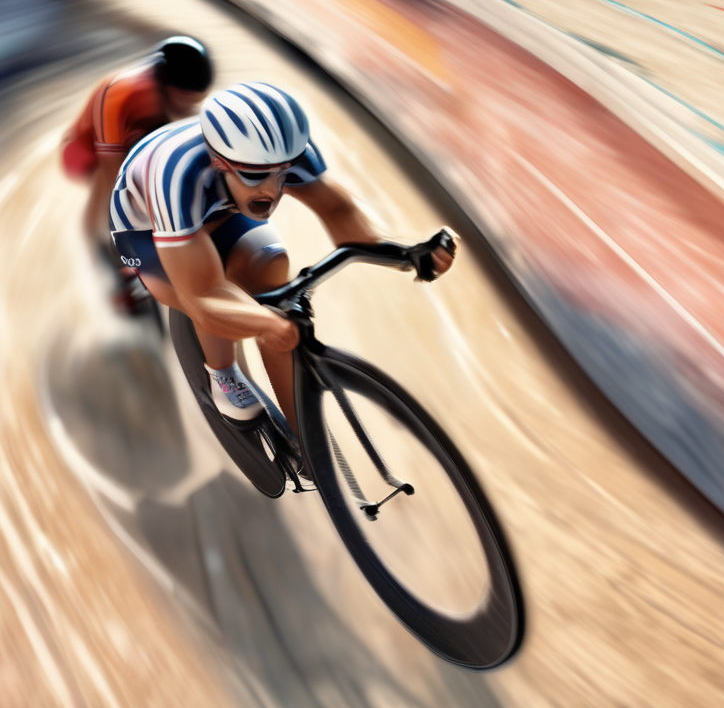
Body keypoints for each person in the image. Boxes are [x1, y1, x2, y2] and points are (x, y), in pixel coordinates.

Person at [109, 81, 457, 442]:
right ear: (219, 161)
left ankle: (306, 441)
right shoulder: (178, 172)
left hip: (219, 206)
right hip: (146, 228)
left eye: (283, 172)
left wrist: (406, 256)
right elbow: (204, 298)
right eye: (256, 174)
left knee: (271, 265)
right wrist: (265, 324)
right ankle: (223, 374)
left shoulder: (280, 156)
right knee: (222, 302)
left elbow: (340, 214)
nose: (271, 190)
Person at [62, 35, 214, 254]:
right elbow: (112, 171)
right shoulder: (121, 94)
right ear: (163, 87)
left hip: (132, 137)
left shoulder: (164, 95)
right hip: (81, 152)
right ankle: (98, 244)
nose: (188, 107)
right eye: (184, 99)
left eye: (194, 101)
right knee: (110, 182)